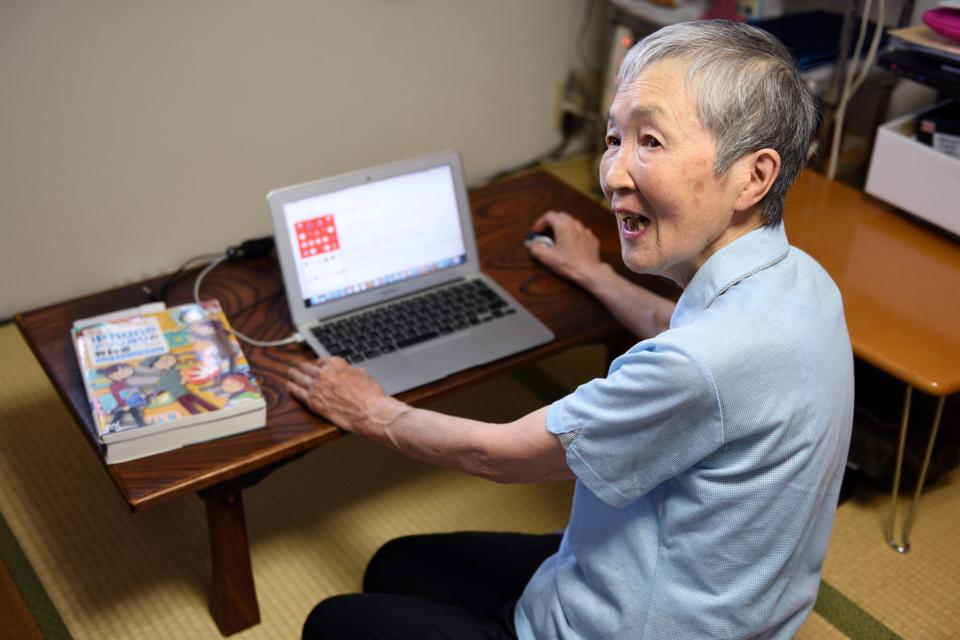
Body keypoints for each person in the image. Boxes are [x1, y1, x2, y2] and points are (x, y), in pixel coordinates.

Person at [285, 20, 853, 640]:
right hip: (724, 597)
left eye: (652, 141)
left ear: (753, 176)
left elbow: (499, 455)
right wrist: (596, 275)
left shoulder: (697, 367)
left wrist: (370, 411)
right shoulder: (803, 283)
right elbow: (686, 334)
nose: (612, 174)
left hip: (625, 624)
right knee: (396, 564)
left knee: (331, 623)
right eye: (615, 136)